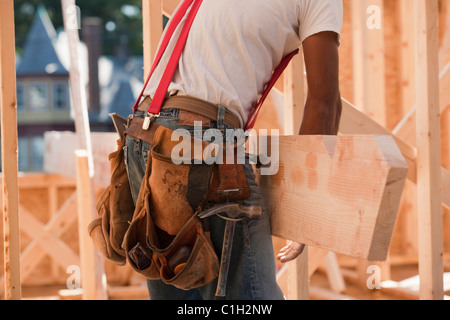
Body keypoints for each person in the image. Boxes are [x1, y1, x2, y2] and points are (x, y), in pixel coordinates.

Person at [125, 0, 343, 300]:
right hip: (200, 139)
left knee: (178, 293)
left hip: (143, 133)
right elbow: (324, 102)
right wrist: (306, 210)